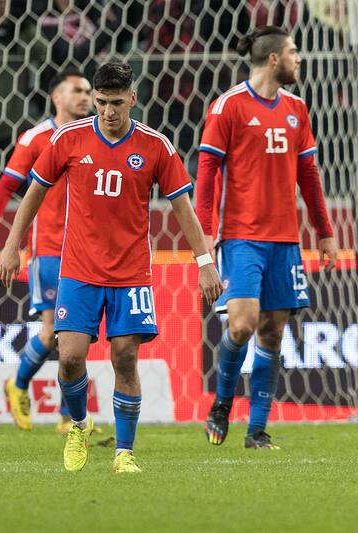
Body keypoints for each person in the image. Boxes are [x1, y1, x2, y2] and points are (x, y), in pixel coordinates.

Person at [0, 62, 223, 473]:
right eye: (100, 103)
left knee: (124, 358)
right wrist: (12, 245)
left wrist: (205, 262)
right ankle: (80, 426)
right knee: (69, 357)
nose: (107, 112)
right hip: (78, 270)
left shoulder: (156, 145)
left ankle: (124, 453)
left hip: (131, 273)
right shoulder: (67, 138)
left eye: (116, 103)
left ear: (133, 99)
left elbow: (183, 208)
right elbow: (33, 192)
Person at [197, 26, 337, 450]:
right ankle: (222, 402)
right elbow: (206, 177)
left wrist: (325, 232)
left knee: (273, 334)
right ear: (274, 59)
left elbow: (309, 177)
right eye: (294, 52)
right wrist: (205, 238)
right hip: (241, 238)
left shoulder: (297, 109)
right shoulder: (228, 108)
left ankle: (256, 430)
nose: (300, 59)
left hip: (285, 241)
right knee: (241, 325)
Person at [0, 70, 91, 433]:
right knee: (54, 334)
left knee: (77, 335)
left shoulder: (93, 135)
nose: (85, 97)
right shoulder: (36, 137)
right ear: (56, 97)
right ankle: (18, 385)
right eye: (76, 91)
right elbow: (6, 187)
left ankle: (68, 417)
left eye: (88, 91)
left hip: (87, 251)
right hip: (48, 248)